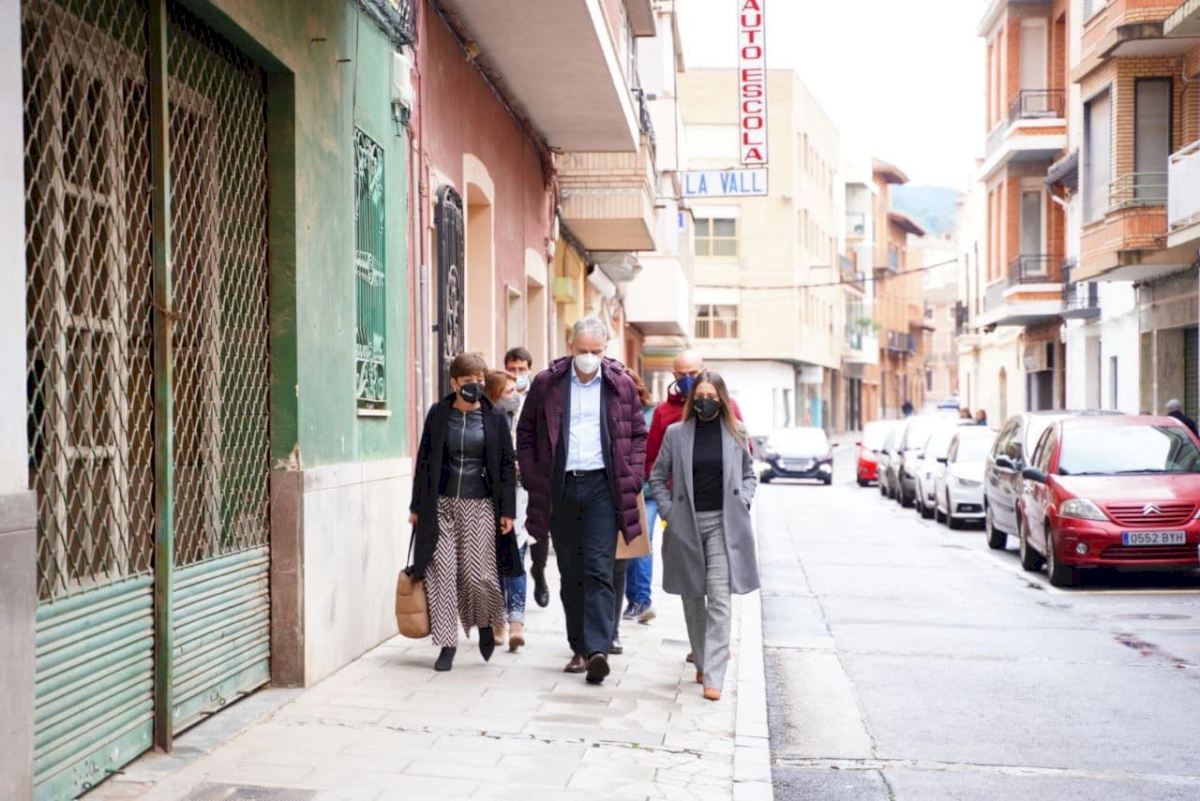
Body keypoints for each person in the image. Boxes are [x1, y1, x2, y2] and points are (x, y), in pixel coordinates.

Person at [517, 316, 648, 685]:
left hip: (602, 488)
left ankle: (597, 650)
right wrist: (533, 476)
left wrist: (632, 475)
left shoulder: (620, 384)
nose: (590, 357)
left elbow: (638, 435)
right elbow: (526, 433)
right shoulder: (548, 383)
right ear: (570, 346)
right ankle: (578, 646)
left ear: (605, 350)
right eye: (584, 350)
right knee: (571, 572)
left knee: (599, 569)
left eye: (597, 351)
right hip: (560, 487)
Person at [650, 371, 759, 702]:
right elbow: (657, 476)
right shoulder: (676, 433)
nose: (705, 402)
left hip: (724, 525)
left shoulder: (736, 432)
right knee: (693, 596)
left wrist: (743, 500)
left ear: (722, 399)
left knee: (720, 597)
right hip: (686, 525)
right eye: (700, 397)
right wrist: (669, 512)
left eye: (712, 397)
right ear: (692, 399)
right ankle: (701, 658)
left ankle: (714, 675)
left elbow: (749, 474)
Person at [409, 353, 520, 672]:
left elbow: (506, 466)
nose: (475, 385)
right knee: (442, 573)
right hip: (440, 504)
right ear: (454, 382)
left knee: (477, 575)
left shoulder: (494, 416)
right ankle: (447, 644)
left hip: (480, 505)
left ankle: (485, 623)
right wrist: (416, 506)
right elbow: (424, 460)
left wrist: (508, 511)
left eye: (480, 379)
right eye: (468, 380)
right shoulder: (439, 414)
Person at [639, 350, 745, 628]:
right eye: (682, 375)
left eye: (693, 374)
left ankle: (714, 648)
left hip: (720, 514)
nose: (688, 379)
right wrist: (669, 508)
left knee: (718, 589)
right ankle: (699, 645)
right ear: (674, 375)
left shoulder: (729, 407)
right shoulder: (664, 413)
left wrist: (742, 500)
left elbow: (744, 461)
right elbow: (653, 463)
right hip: (682, 512)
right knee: (692, 587)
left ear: (703, 371)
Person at [485, 369, 530, 651]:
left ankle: (516, 622)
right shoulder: (484, 419)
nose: (515, 396)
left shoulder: (525, 418)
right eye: (508, 392)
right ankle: (497, 620)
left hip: (520, 496)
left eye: (516, 391)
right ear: (494, 395)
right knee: (493, 562)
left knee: (517, 557)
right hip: (490, 496)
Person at [505, 347, 551, 609]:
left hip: (535, 472)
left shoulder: (540, 394)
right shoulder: (502, 394)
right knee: (515, 533)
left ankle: (539, 572)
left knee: (539, 530)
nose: (517, 373)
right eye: (512, 369)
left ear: (529, 370)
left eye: (521, 369)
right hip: (509, 473)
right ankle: (515, 595)